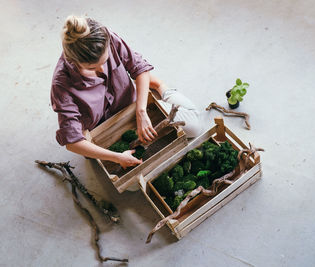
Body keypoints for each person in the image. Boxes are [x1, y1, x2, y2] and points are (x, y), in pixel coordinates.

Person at [51, 15, 202, 169]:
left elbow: (139, 68)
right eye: (91, 68)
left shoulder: (107, 39)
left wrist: (141, 112)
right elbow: (72, 142)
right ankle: (153, 87)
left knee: (194, 127)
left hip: (133, 108)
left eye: (104, 62)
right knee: (131, 180)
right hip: (102, 129)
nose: (102, 70)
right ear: (72, 61)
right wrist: (117, 157)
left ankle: (160, 87)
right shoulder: (61, 86)